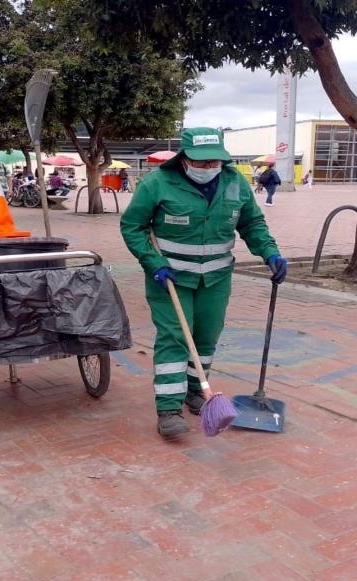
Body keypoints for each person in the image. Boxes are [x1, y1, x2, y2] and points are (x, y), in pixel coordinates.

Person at [120, 127, 286, 439]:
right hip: (170, 278)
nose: (209, 168)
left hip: (217, 277)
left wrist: (270, 253)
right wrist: (153, 262)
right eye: (202, 162)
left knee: (206, 336)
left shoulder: (235, 182)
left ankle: (196, 391)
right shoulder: (157, 184)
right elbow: (133, 226)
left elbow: (251, 222)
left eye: (215, 162)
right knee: (175, 337)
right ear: (184, 159)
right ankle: (168, 407)